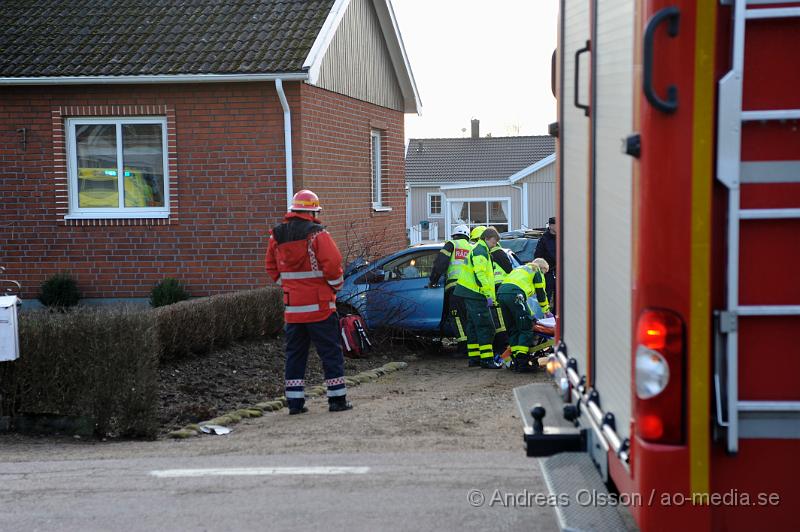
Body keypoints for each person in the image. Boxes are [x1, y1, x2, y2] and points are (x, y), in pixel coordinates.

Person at [265, 189, 352, 415]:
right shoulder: (318, 235)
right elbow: (333, 265)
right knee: (330, 354)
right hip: (320, 308)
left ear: (294, 209)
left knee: (295, 355)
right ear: (313, 211)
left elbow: (271, 268)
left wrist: (289, 287)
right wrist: (334, 286)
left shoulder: (276, 235)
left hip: (293, 309)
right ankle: (337, 400)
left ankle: (295, 404)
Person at [454, 226, 502, 369]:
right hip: (477, 294)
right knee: (485, 327)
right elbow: (480, 274)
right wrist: (488, 295)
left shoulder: (480, 250)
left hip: (470, 293)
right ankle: (487, 360)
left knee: (474, 327)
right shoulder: (481, 251)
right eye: (493, 242)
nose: (494, 245)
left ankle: (474, 358)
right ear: (487, 239)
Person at [497, 258, 552, 372]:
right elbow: (541, 292)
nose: (544, 275)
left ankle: (516, 360)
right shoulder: (536, 270)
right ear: (542, 268)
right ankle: (523, 362)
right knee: (526, 328)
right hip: (515, 294)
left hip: (501, 294)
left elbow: (524, 305)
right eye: (545, 273)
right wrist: (546, 311)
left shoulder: (520, 269)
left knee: (513, 328)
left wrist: (531, 315)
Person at [469, 225, 513, 358]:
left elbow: (484, 274)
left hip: (496, 289)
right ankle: (500, 348)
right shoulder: (485, 252)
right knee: (497, 322)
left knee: (497, 322)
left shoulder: (492, 252)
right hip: (492, 289)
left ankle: (501, 348)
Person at [428, 224, 471, 351]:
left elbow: (440, 264)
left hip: (455, 288)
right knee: (468, 317)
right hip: (471, 288)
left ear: (454, 235)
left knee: (457, 317)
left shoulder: (451, 244)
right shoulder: (472, 247)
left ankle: (464, 347)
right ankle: (472, 347)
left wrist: (433, 280)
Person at [534, 216, 557, 310]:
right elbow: (537, 256)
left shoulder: (563, 237)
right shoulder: (544, 239)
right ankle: (545, 315)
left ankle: (557, 316)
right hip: (547, 272)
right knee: (546, 293)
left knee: (560, 295)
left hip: (559, 272)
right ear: (551, 226)